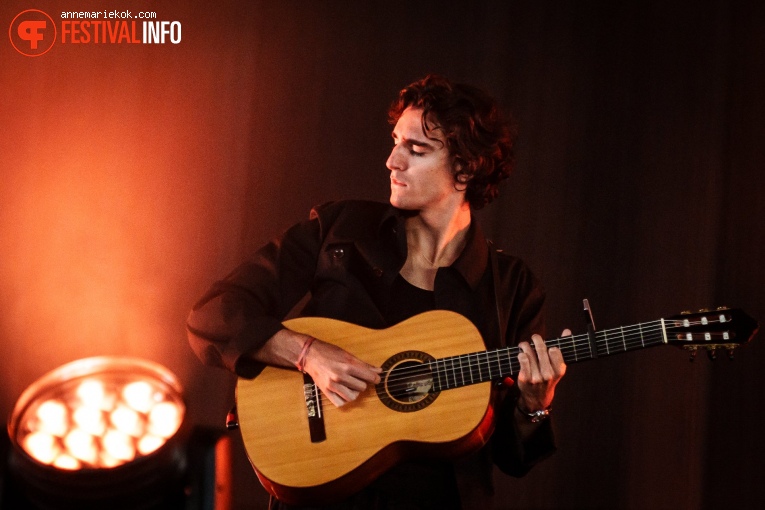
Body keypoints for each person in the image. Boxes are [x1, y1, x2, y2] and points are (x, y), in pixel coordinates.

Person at [186, 74, 567, 509]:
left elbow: (512, 459)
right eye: (395, 141)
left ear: (465, 169)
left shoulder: (512, 288)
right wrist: (306, 353)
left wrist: (534, 406)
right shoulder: (341, 228)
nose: (392, 161)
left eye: (416, 149)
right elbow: (212, 314)